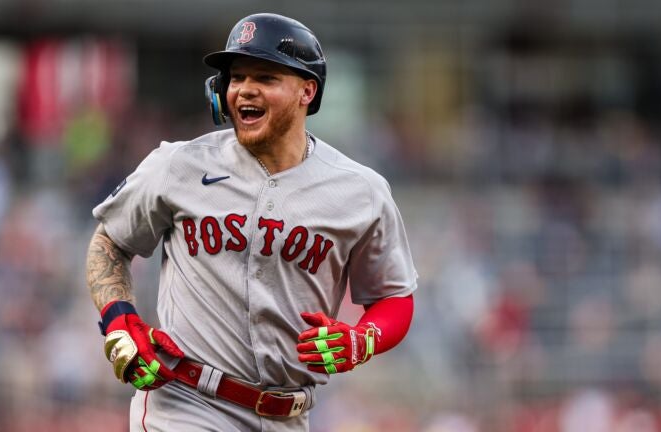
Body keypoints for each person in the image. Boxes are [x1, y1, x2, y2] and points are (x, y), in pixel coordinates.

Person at [86, 12, 417, 432]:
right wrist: (119, 319)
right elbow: (110, 241)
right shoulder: (179, 165)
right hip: (186, 405)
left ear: (306, 91)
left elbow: (394, 297)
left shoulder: (360, 191)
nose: (244, 89)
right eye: (236, 77)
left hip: (288, 416)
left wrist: (362, 338)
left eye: (265, 77)